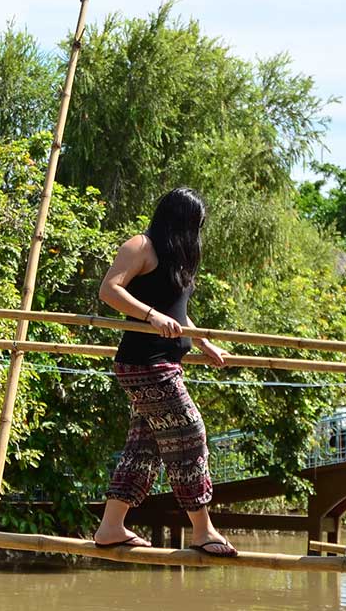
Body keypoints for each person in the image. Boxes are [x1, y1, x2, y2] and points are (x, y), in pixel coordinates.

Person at [92, 187, 238, 557]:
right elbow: (109, 290)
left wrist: (203, 342)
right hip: (146, 365)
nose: (197, 234)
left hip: (165, 364)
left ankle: (110, 526)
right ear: (180, 220)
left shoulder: (176, 258)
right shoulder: (140, 246)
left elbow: (177, 312)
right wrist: (149, 315)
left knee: (145, 447)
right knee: (190, 434)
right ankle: (203, 530)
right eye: (195, 225)